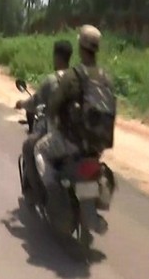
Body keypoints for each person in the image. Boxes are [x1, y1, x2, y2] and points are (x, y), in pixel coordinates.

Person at [34, 25, 116, 237]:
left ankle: (52, 191)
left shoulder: (73, 76)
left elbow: (53, 106)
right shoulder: (106, 78)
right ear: (96, 49)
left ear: (80, 47)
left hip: (71, 142)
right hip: (96, 147)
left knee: (39, 150)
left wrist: (55, 119)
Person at [15, 39, 73, 205]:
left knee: (29, 147)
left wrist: (21, 103)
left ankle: (42, 193)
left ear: (57, 57)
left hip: (57, 133)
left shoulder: (52, 80)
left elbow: (34, 102)